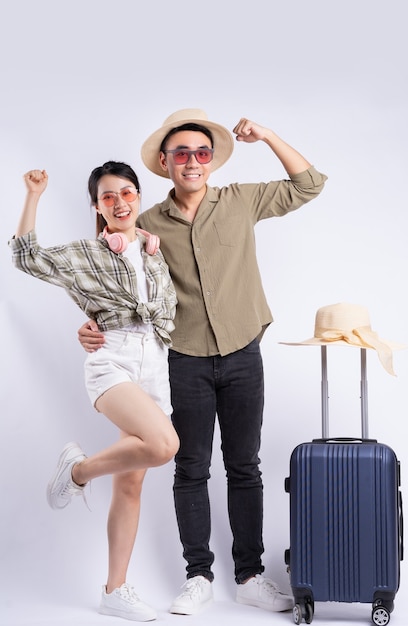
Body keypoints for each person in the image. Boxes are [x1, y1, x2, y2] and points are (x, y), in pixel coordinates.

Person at [78, 110, 328, 615]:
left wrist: (269, 135)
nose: (192, 161)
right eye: (181, 154)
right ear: (165, 164)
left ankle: (251, 575)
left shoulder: (240, 200)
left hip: (242, 351)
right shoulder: (144, 223)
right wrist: (89, 325)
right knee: (189, 468)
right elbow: (110, 278)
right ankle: (198, 576)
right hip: (183, 358)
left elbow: (309, 184)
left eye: (201, 152)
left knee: (244, 466)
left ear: (210, 161)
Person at [10, 161, 179, 622]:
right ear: (97, 207)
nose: (120, 202)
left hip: (155, 366)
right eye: (108, 197)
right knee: (164, 446)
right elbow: (27, 259)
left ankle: (114, 589)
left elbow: (165, 317)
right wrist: (34, 196)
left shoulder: (152, 252)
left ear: (139, 197)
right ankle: (78, 471)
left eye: (127, 193)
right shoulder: (88, 252)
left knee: (131, 483)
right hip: (113, 362)